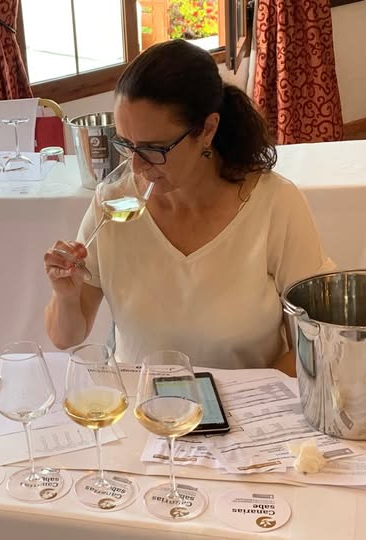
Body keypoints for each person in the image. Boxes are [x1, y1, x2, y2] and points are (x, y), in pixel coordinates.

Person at [43, 39, 333, 374]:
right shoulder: (113, 203)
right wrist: (65, 296)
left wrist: (238, 399)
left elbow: (316, 343)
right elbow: (65, 338)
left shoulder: (275, 204)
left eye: (154, 149)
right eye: (125, 144)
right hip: (142, 401)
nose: (136, 166)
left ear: (207, 129)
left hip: (252, 403)